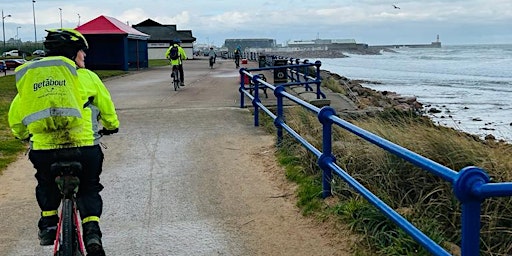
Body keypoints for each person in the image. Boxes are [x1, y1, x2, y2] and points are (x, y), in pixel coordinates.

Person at [8, 28, 119, 256]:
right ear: (72, 53)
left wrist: (22, 135)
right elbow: (107, 107)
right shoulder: (87, 77)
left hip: (45, 150)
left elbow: (16, 116)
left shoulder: (32, 79)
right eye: (82, 52)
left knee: (45, 182)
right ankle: (92, 231)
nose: (84, 57)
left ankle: (49, 223)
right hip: (85, 147)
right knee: (89, 186)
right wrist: (111, 125)